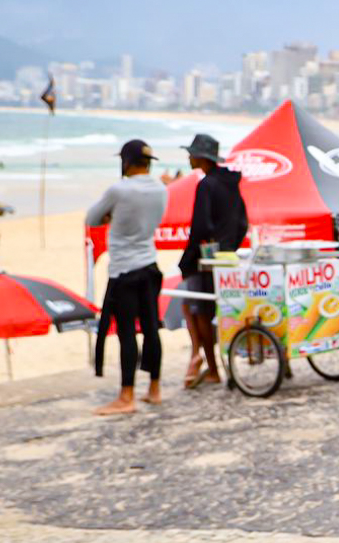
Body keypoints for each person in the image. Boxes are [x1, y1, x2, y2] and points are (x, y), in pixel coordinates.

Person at [87, 140, 167, 415]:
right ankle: (154, 389)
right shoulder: (160, 188)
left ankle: (126, 396)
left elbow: (92, 218)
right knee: (151, 329)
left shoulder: (119, 190)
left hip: (124, 271)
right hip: (150, 266)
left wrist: (112, 217)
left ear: (126, 162)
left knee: (127, 333)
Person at [178, 134, 248, 388]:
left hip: (205, 260)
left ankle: (212, 368)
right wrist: (229, 245)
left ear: (201, 157)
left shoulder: (206, 185)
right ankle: (204, 360)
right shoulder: (230, 184)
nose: (188, 157)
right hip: (228, 257)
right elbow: (243, 223)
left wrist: (187, 260)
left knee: (199, 311)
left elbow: (200, 227)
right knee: (215, 309)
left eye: (191, 153)